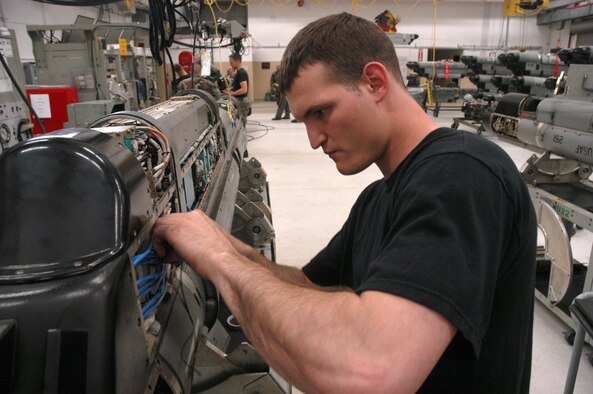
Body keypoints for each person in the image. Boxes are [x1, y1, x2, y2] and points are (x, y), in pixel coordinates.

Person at [153, 12, 537, 393]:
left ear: (374, 82)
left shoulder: (463, 172)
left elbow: (370, 370)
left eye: (321, 112)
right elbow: (306, 285)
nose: (313, 139)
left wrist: (221, 261)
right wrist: (220, 246)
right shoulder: (379, 197)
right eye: (304, 120)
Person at [224, 53, 250, 122]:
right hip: (239, 100)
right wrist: (231, 89)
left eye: (231, 63)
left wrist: (231, 94)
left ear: (237, 61)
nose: (230, 64)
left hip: (241, 101)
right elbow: (238, 85)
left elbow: (244, 90)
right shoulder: (239, 72)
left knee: (242, 122)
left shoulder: (241, 73)